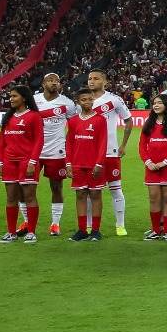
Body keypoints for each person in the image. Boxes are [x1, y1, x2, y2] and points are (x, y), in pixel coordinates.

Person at [87, 70, 133, 237]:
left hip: (110, 152)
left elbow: (128, 120)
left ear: (105, 82)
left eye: (96, 78)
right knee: (90, 192)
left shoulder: (114, 100)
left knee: (115, 189)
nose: (92, 81)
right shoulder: (83, 101)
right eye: (89, 78)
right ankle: (89, 226)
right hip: (89, 154)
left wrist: (123, 145)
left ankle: (120, 225)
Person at [0, 84, 43, 243]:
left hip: (26, 162)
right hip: (9, 162)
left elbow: (39, 141)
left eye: (14, 96)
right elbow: (2, 142)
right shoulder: (8, 117)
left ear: (24, 98)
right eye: (10, 96)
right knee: (11, 198)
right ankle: (11, 232)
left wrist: (32, 162)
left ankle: (31, 232)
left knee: (29, 197)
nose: (11, 99)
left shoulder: (34, 116)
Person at [33, 72, 78, 237]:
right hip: (34, 151)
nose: (54, 83)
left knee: (56, 187)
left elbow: (74, 126)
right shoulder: (33, 100)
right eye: (50, 80)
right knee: (27, 187)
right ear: (43, 84)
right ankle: (27, 222)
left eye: (56, 81)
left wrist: (69, 145)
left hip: (57, 151)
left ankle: (55, 224)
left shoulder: (67, 103)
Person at [64, 87, 108, 242]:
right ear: (78, 102)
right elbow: (69, 143)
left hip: (94, 164)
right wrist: (68, 163)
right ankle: (82, 230)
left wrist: (99, 163)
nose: (87, 102)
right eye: (84, 100)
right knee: (80, 195)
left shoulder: (100, 119)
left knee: (95, 195)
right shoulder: (73, 121)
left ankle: (95, 230)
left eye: (90, 99)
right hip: (77, 164)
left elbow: (103, 143)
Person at [138, 92, 167, 240]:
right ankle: (156, 230)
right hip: (152, 168)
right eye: (154, 103)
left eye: (159, 103)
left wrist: (165, 162)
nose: (156, 105)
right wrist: (148, 162)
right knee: (153, 198)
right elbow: (142, 146)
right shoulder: (149, 122)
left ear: (166, 105)